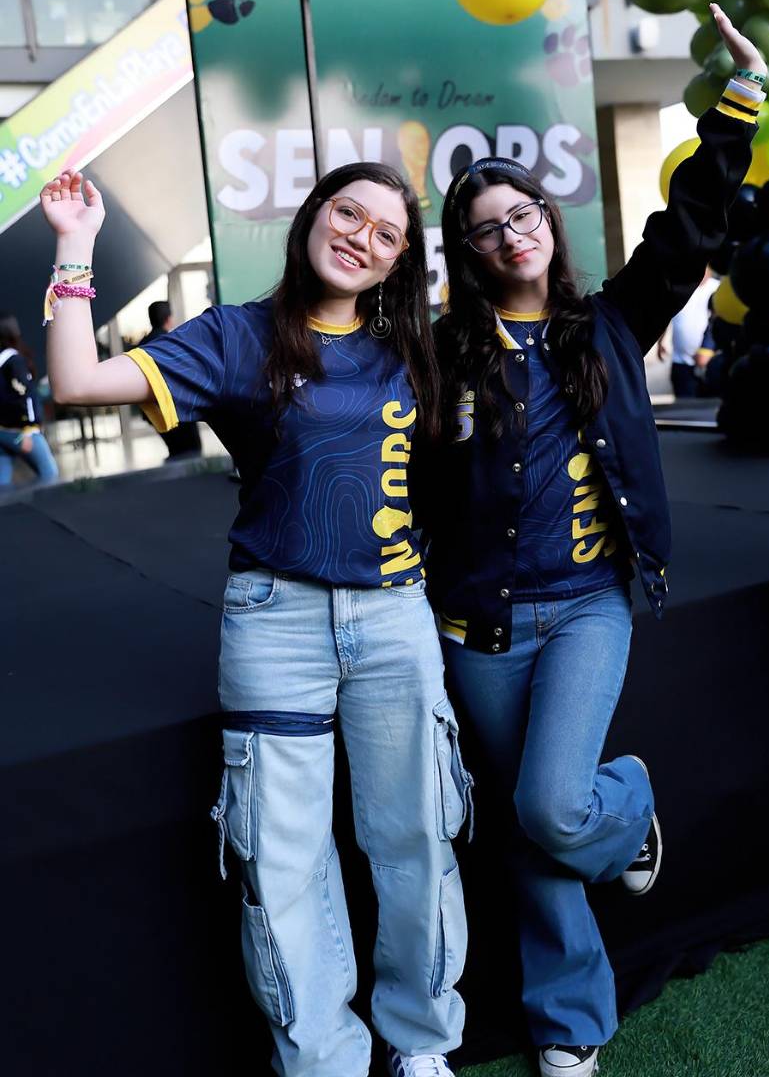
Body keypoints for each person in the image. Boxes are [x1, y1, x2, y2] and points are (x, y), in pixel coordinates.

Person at [39, 161, 471, 1077]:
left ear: (398, 262)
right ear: (314, 216)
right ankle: (325, 1060)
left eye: (387, 233)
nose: (361, 236)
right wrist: (76, 246)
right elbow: (75, 381)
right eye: (347, 212)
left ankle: (421, 1046)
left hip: (395, 619)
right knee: (283, 861)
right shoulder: (237, 337)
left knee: (416, 835)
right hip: (276, 623)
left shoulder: (415, 351)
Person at [415, 5, 763, 1077]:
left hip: (585, 605)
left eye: (522, 212)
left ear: (546, 224)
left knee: (553, 803)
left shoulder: (608, 321)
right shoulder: (433, 355)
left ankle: (628, 804)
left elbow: (691, 228)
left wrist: (735, 105)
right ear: (467, 253)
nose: (510, 230)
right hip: (475, 623)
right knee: (528, 835)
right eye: (485, 224)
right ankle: (572, 1021)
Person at [137, 300, 203, 459]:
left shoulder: (141, 345)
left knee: (175, 450)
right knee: (191, 451)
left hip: (153, 409)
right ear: (168, 319)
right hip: (177, 408)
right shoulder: (172, 341)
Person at [0, 312, 59, 487]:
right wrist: (29, 429)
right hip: (21, 432)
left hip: (2, 433)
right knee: (50, 475)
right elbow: (25, 398)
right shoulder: (14, 361)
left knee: (2, 485)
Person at [656, 267, 720, 397]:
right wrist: (660, 341)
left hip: (710, 366)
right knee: (684, 411)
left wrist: (708, 350)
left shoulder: (717, 289)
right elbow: (666, 315)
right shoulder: (678, 288)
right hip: (681, 364)